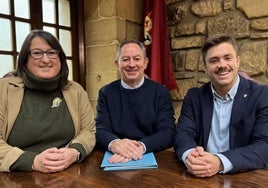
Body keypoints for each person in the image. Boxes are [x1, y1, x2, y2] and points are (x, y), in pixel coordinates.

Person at [0, 30, 96, 173]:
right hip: (17, 174)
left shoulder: (76, 90)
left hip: (69, 171)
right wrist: (32, 161)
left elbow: (88, 130)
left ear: (61, 58)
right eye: (37, 53)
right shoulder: (4, 89)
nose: (46, 60)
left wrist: (74, 152)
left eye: (52, 52)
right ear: (25, 58)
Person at [174, 34, 268, 177]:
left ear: (237, 61)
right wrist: (190, 156)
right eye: (214, 60)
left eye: (227, 58)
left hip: (244, 178)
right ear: (205, 68)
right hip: (201, 177)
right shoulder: (194, 97)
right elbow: (182, 134)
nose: (222, 65)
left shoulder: (262, 95)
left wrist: (220, 162)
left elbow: (264, 146)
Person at [95, 39, 175, 163]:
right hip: (115, 158)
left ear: (145, 63)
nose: (131, 64)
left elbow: (168, 132)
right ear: (117, 64)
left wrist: (139, 148)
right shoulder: (106, 93)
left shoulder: (160, 92)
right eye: (125, 59)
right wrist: (116, 144)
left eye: (137, 59)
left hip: (149, 156)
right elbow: (100, 129)